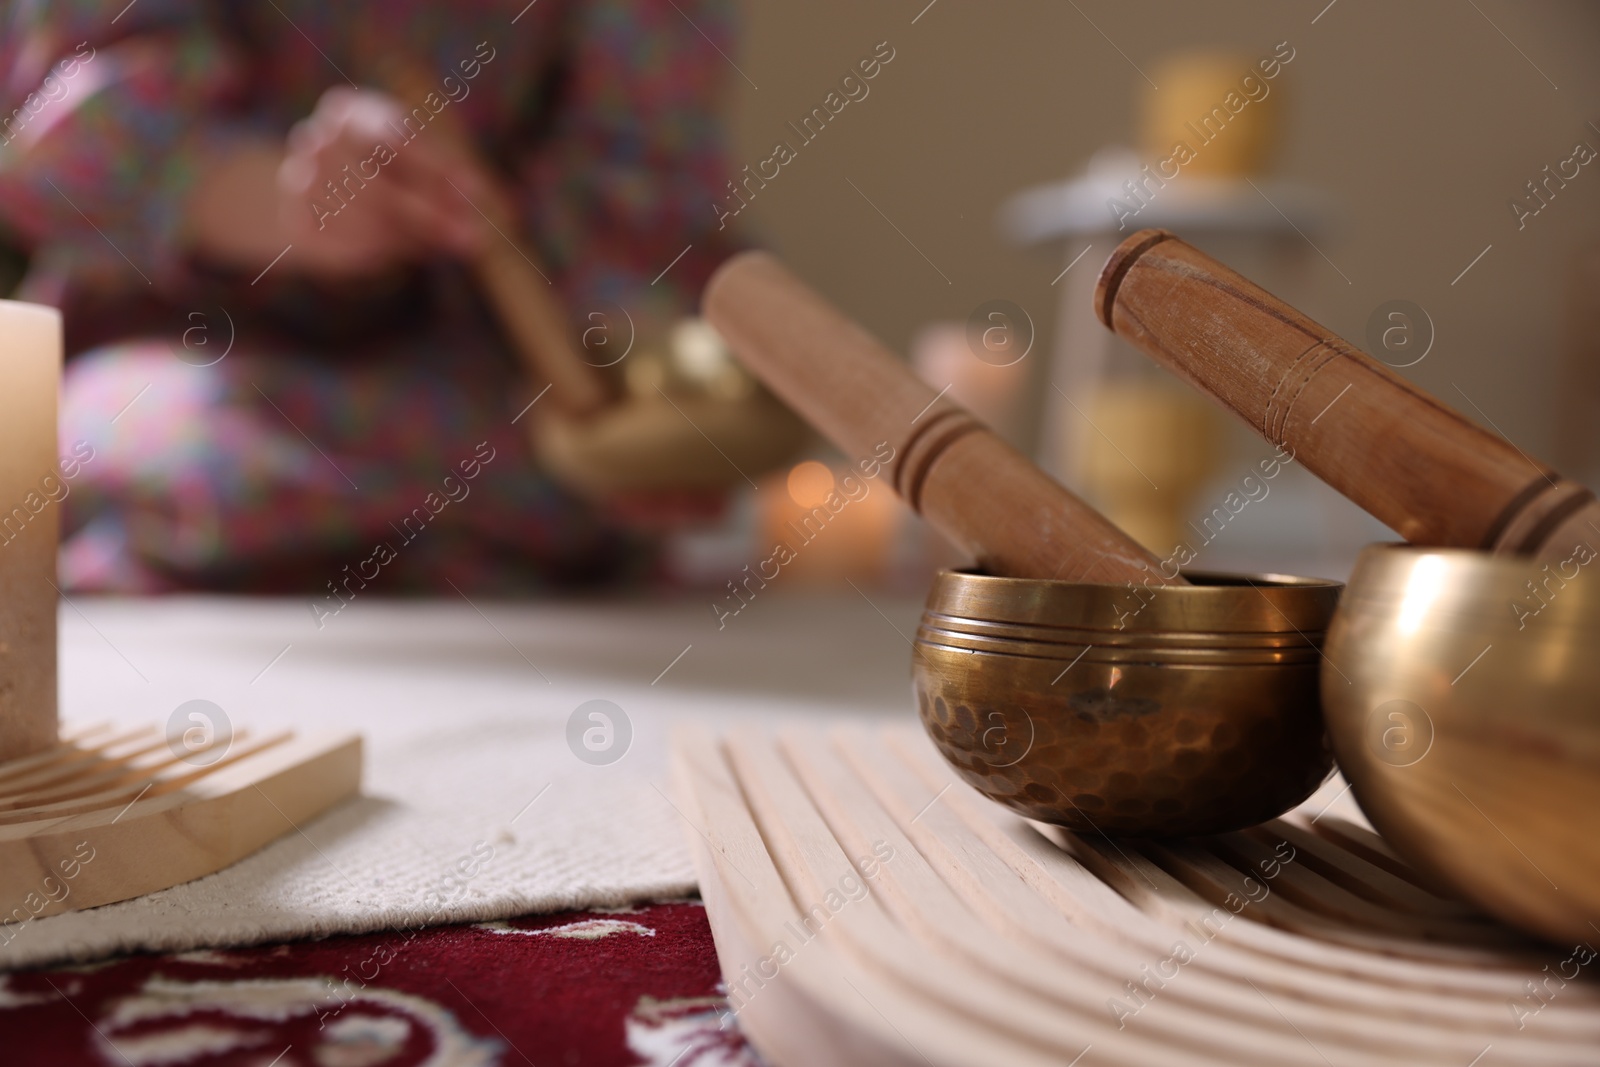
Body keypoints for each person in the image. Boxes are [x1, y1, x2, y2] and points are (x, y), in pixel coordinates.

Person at [0, 0, 738, 594]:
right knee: (158, 442)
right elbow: (73, 149)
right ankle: (472, 536)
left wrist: (633, 393)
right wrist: (292, 203)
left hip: (486, 374)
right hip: (196, 349)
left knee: (581, 468)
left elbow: (643, 196)